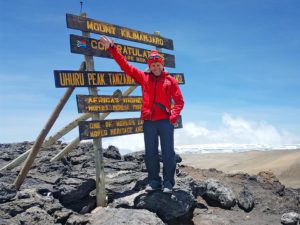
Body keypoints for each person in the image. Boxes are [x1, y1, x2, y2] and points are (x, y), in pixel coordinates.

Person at [100, 36, 184, 193]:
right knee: (150, 153)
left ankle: (168, 182)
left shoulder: (170, 81)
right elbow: (126, 66)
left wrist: (173, 116)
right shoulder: (144, 78)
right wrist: (112, 48)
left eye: (158, 64)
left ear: (162, 65)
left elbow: (179, 101)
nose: (156, 67)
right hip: (149, 122)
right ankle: (153, 181)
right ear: (149, 66)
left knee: (168, 153)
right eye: (153, 65)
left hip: (165, 122)